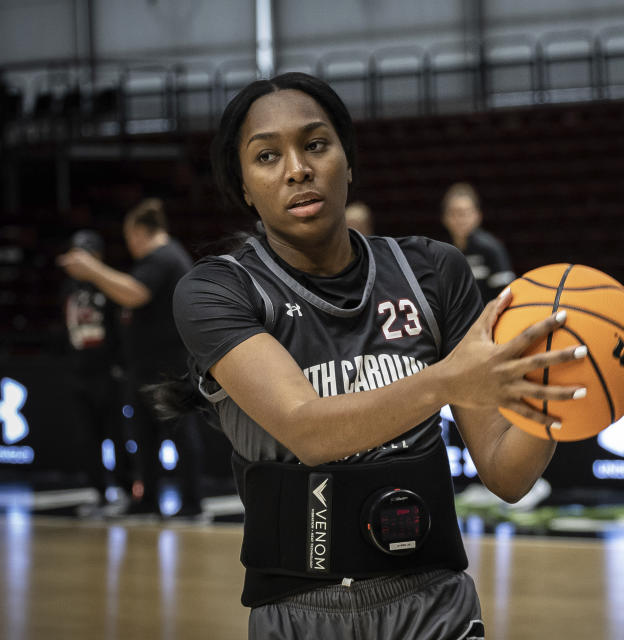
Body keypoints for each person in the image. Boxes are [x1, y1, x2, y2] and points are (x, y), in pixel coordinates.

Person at [162, 72, 590, 638]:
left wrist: (570, 381)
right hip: (300, 612)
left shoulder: (433, 271)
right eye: (267, 156)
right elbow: (306, 430)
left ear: (348, 160)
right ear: (243, 186)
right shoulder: (219, 291)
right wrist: (445, 382)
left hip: (437, 604)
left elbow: (507, 475)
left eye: (316, 144)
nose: (297, 168)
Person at [57, 199, 205, 519]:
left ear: (138, 232)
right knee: (144, 437)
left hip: (167, 366)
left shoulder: (164, 258)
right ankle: (147, 500)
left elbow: (135, 293)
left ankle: (192, 504)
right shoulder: (159, 258)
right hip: (146, 367)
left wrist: (92, 270)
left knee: (178, 434)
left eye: (128, 238)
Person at [60, 229, 129, 516]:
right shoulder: (68, 289)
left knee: (117, 434)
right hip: (79, 374)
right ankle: (98, 493)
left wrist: (118, 367)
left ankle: (126, 490)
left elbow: (122, 330)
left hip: (108, 374)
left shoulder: (110, 285)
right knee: (86, 438)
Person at [441, 182, 516, 303]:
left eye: (465, 213)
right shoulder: (441, 251)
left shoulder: (492, 248)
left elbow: (507, 295)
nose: (460, 219)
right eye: (454, 213)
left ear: (477, 216)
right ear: (445, 218)